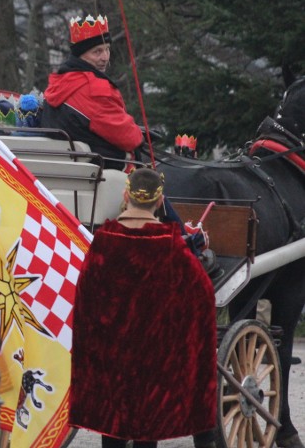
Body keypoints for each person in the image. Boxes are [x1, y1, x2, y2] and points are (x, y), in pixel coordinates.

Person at [69, 168, 217, 448]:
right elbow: (203, 297)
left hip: (111, 366)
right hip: (153, 370)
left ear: (125, 196)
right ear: (160, 202)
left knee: (112, 434)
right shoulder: (170, 246)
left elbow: (85, 304)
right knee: (147, 436)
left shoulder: (102, 243)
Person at [40, 14, 143, 170]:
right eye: (97, 51)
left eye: (107, 49)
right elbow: (129, 138)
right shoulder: (94, 89)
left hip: (72, 168)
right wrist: (141, 134)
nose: (105, 57)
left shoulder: (59, 82)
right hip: (106, 169)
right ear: (81, 55)